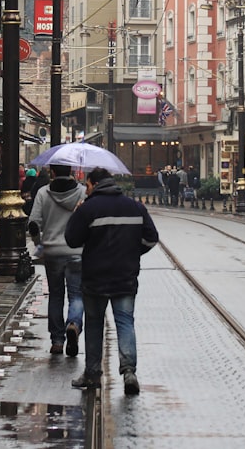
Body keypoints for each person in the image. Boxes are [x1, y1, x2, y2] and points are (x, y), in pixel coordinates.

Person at [65, 167, 159, 396]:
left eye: (86, 186)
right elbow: (151, 238)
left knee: (95, 325)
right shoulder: (135, 207)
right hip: (125, 276)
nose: (85, 191)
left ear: (94, 184)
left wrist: (78, 212)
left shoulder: (88, 209)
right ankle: (129, 372)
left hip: (95, 277)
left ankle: (93, 374)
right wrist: (133, 253)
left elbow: (71, 239)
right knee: (125, 323)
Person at [28, 164, 87, 356]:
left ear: (52, 173)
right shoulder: (83, 193)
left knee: (56, 295)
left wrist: (40, 244)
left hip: (52, 252)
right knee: (76, 295)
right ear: (70, 172)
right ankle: (74, 324)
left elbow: (34, 223)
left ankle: (57, 340)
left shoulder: (43, 193)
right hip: (77, 250)